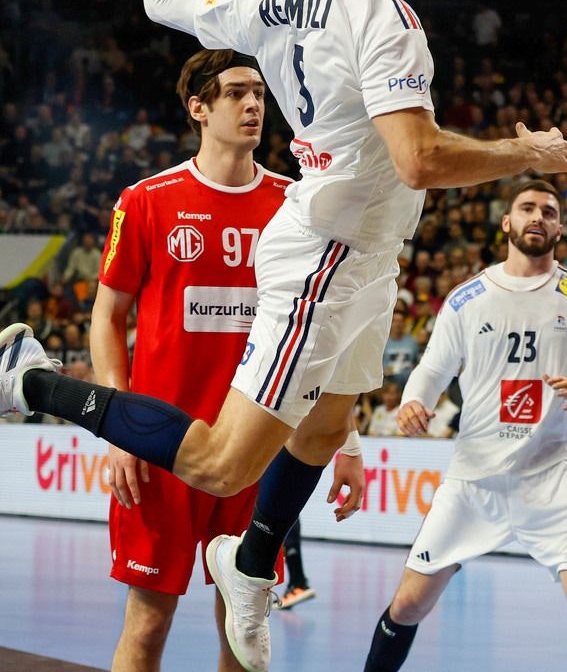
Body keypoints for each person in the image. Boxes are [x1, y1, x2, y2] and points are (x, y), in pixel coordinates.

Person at [0, 0, 567, 670]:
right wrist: (523, 153)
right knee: (216, 461)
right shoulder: (380, 12)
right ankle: (30, 379)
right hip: (329, 249)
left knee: (325, 426)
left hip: (365, 249)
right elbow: (419, 159)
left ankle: (250, 562)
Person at [93, 49, 358, 672]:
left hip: (259, 447)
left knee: (244, 632)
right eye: (237, 92)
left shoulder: (299, 206)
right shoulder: (147, 200)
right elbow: (106, 318)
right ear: (198, 108)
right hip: (164, 448)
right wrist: (117, 430)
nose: (253, 105)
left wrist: (344, 441)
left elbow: (332, 333)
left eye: (261, 94)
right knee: (148, 623)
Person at [362, 180, 567, 672]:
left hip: (551, 472)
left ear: (559, 227)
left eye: (549, 211)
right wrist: (414, 401)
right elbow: (432, 368)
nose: (538, 216)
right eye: (527, 208)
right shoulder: (469, 298)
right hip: (474, 478)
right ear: (506, 223)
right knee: (407, 604)